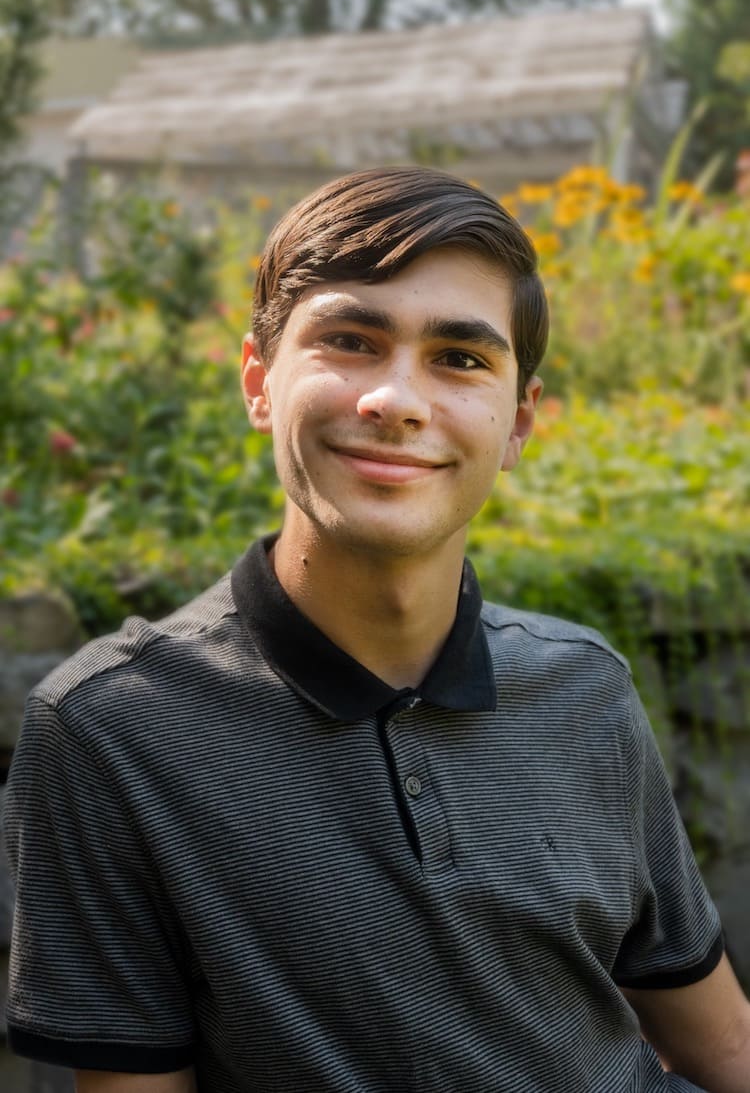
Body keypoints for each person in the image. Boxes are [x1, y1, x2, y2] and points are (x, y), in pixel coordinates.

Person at [4, 167, 750, 1093]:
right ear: (258, 382)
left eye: (460, 358)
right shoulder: (110, 731)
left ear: (518, 421)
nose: (397, 399)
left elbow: (721, 1046)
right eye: (351, 341)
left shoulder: (585, 688)